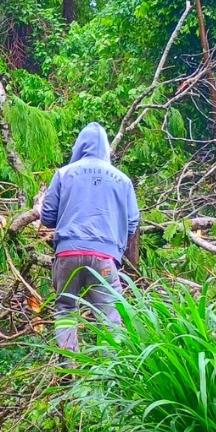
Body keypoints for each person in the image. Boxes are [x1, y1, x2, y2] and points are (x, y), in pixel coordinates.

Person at [40, 122, 140, 353]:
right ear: (106, 148)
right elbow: (133, 223)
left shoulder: (64, 174)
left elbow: (47, 217)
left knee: (65, 309)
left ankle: (68, 364)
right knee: (108, 314)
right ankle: (107, 374)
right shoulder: (122, 180)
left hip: (67, 255)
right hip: (104, 259)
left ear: (79, 146)